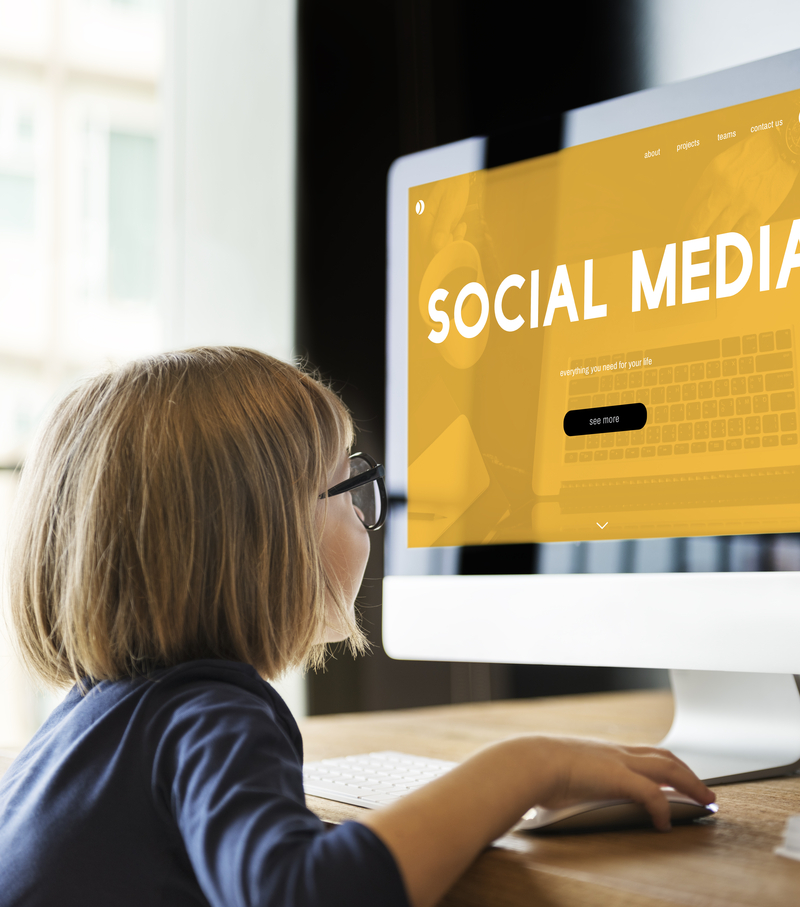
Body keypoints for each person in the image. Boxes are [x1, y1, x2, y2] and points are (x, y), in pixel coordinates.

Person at [0, 347, 714, 907]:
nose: (368, 515)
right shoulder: (211, 715)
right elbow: (308, 894)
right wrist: (528, 764)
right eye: (348, 486)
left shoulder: (82, 728)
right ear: (262, 537)